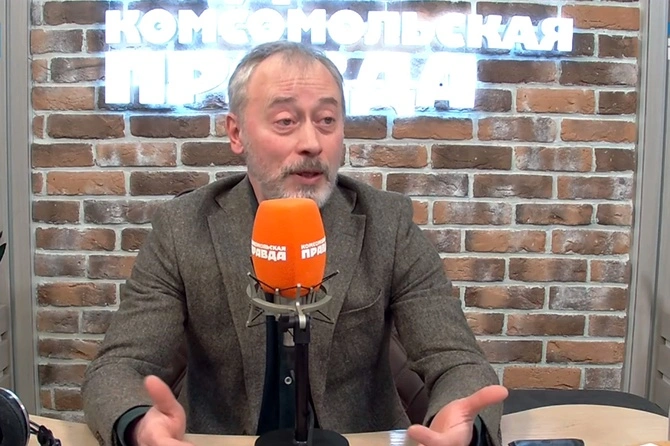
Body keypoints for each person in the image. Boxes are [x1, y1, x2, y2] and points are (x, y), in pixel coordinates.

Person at [82, 40, 507, 446]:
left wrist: (461, 424)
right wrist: (139, 425)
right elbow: (118, 367)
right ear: (236, 133)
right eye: (285, 121)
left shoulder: (387, 223)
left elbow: (457, 361)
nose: (311, 143)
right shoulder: (182, 227)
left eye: (327, 120)